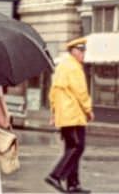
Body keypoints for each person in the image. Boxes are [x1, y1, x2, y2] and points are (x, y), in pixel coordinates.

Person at [45, 37, 93, 194]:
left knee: (71, 148)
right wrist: (88, 109)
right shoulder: (74, 67)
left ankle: (73, 185)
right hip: (73, 114)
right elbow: (81, 91)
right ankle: (56, 175)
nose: (83, 54)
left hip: (64, 115)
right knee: (77, 146)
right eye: (81, 51)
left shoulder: (61, 67)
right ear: (74, 51)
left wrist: (54, 112)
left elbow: (52, 93)